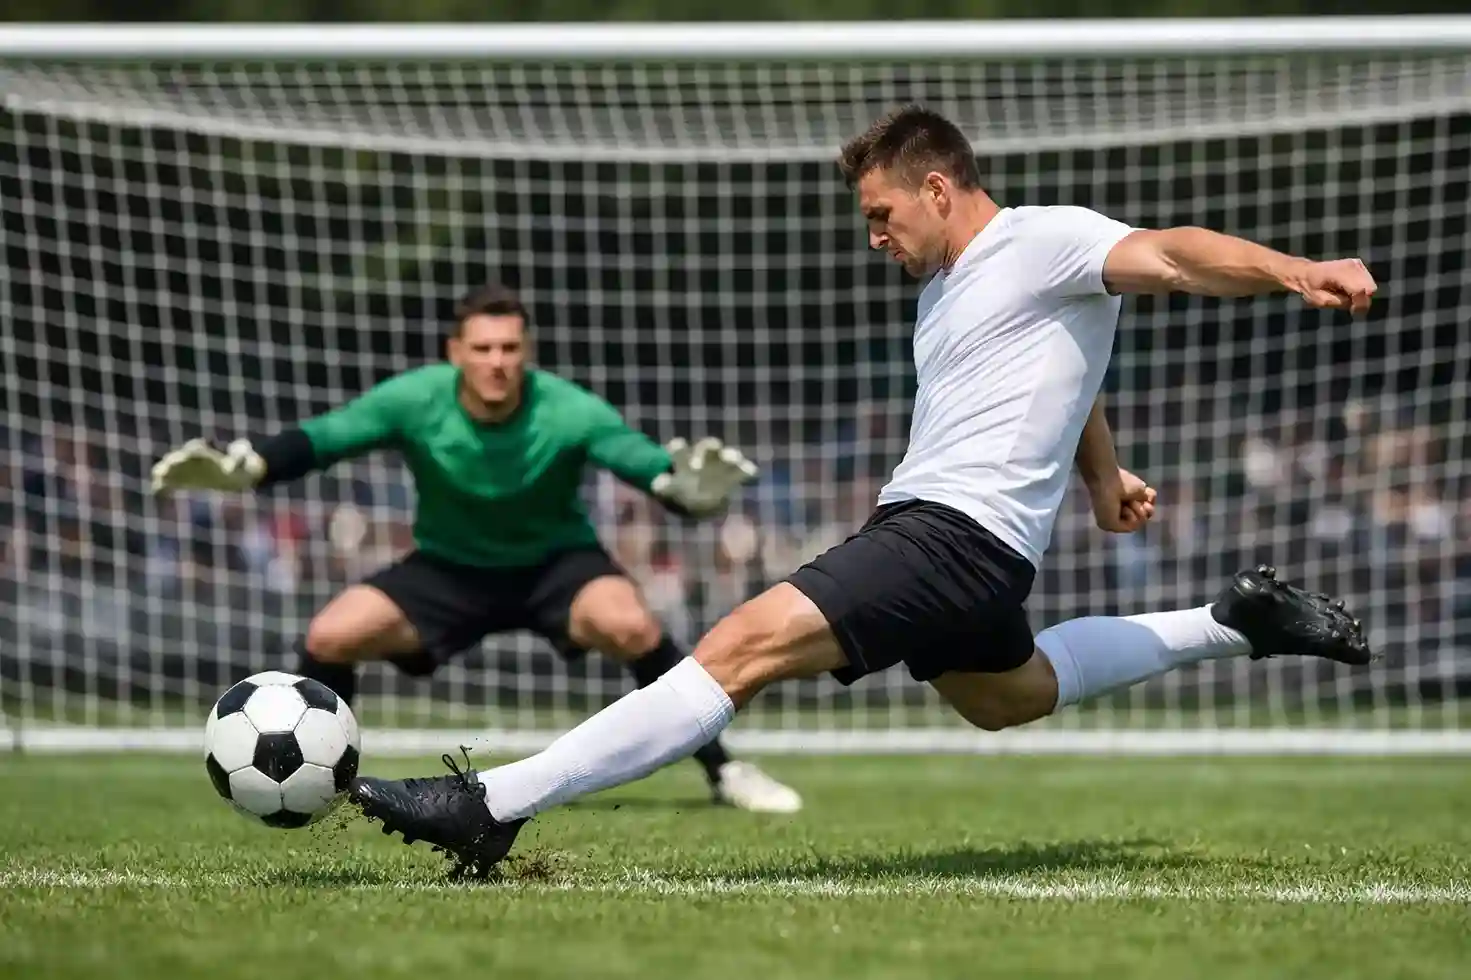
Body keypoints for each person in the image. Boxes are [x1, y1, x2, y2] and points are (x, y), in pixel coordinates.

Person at [346, 104, 1377, 877]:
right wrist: (1102, 476)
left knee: (735, 646)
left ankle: (494, 801)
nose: (873, 236)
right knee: (1003, 696)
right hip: (960, 543)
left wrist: (1292, 269)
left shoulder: (1041, 238)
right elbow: (1071, 365)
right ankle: (1229, 619)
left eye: (881, 214)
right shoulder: (950, 296)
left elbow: (1173, 252)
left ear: (938, 188)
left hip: (947, 537)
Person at [149, 282, 803, 814]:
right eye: (484, 347)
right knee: (331, 632)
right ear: (455, 351)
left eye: (511, 348)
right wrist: (251, 468)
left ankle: (725, 771)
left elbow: (644, 463)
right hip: (448, 570)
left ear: (527, 353)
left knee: (629, 622)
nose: (498, 361)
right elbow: (328, 436)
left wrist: (683, 488)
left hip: (555, 567)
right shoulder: (416, 398)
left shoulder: (566, 408)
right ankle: (325, 783)